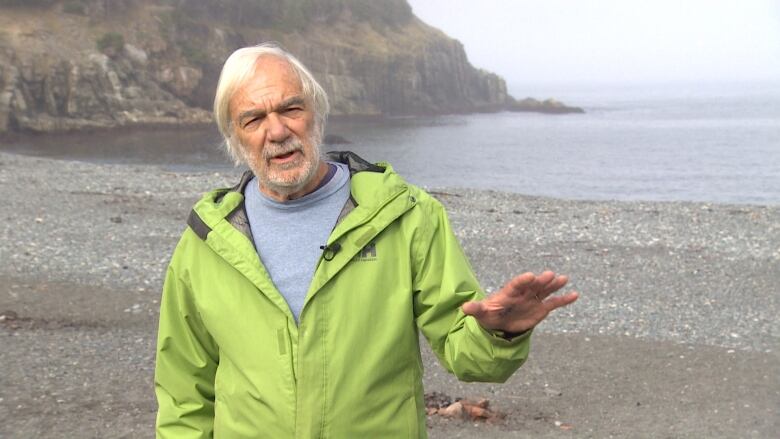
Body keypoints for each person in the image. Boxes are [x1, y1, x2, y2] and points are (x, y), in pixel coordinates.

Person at [154, 43, 579, 439]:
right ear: (234, 136)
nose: (277, 130)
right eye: (254, 119)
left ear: (316, 113)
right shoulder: (207, 241)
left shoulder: (406, 215)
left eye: (291, 108)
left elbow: (462, 349)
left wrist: (496, 334)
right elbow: (183, 394)